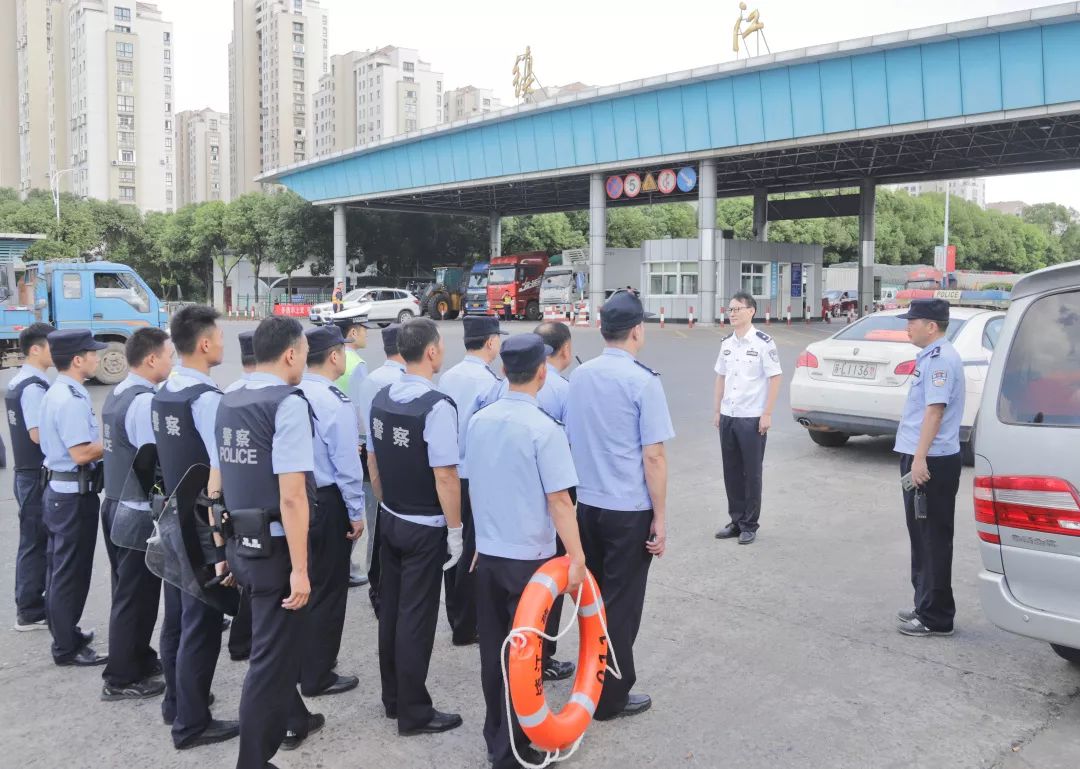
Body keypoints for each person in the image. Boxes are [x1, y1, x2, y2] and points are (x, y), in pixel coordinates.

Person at [467, 333, 585, 769]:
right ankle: (517, 749)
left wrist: (478, 542)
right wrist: (577, 557)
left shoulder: (479, 421)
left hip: (489, 556)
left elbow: (475, 484)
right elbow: (560, 502)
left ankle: (498, 738)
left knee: (493, 653)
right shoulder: (544, 429)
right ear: (542, 372)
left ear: (503, 371)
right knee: (524, 657)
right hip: (529, 563)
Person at [217, 316, 324, 767]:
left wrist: (221, 548)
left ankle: (295, 718)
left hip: (242, 546)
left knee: (278, 646)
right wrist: (300, 569)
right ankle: (253, 761)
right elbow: (293, 495)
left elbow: (216, 477)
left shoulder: (228, 398)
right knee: (269, 661)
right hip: (276, 550)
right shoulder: (287, 403)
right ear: (290, 354)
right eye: (302, 351)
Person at [564, 290, 673, 720]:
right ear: (637, 331)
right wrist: (660, 519)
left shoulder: (581, 376)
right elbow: (654, 456)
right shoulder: (643, 381)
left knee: (594, 601)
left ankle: (589, 680)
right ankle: (608, 697)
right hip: (629, 511)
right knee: (621, 607)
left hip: (588, 507)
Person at [367, 317, 464, 736]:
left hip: (391, 518)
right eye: (440, 344)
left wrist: (385, 501)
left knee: (391, 612)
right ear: (430, 351)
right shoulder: (436, 406)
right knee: (415, 619)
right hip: (425, 526)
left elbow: (372, 460)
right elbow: (446, 476)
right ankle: (414, 712)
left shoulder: (382, 397)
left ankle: (393, 700)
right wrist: (456, 531)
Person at [152, 305, 239, 749]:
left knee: (179, 617)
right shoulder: (206, 399)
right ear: (204, 344)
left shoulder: (165, 391)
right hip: (198, 524)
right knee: (201, 622)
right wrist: (220, 533)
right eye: (220, 336)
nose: (223, 343)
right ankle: (192, 723)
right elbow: (220, 469)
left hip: (172, 514)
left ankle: (177, 703)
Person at [100, 328, 173, 700]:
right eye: (168, 355)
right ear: (150, 359)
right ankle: (121, 677)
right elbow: (153, 461)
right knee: (135, 595)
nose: (171, 361)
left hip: (114, 501)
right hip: (136, 509)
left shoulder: (119, 391)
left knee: (129, 591)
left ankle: (138, 656)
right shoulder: (144, 402)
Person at [297, 324, 364, 697]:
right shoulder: (335, 402)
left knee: (300, 582)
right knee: (327, 588)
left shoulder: (290, 391)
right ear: (335, 356)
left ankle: (302, 661)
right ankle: (318, 673)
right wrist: (356, 513)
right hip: (327, 501)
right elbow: (346, 466)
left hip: (293, 500)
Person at [894, 299, 965, 638]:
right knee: (921, 537)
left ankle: (936, 617)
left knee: (933, 538)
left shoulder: (941, 360)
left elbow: (934, 412)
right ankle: (925, 604)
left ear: (931, 326)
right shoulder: (930, 356)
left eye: (913, 321)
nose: (907, 326)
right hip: (921, 455)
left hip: (931, 461)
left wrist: (920, 458)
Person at [38, 328, 109, 666]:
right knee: (70, 573)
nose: (98, 357)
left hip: (60, 493)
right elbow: (81, 453)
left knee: (60, 570)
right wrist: (115, 444)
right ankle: (67, 646)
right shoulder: (68, 399)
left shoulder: (63, 392)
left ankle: (65, 634)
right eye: (93, 353)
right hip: (71, 496)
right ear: (78, 359)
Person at [436, 315, 506, 646]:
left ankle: (456, 617)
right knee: (475, 550)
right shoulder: (490, 383)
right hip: (474, 476)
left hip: (446, 473)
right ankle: (469, 625)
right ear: (491, 342)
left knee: (454, 543)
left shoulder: (448, 377)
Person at [712, 291, 782, 545]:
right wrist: (717, 410)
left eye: (737, 309)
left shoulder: (764, 343)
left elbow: (775, 377)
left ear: (751, 311)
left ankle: (750, 524)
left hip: (752, 418)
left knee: (751, 473)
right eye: (730, 309)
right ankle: (736, 519)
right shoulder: (727, 343)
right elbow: (720, 377)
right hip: (729, 416)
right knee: (731, 471)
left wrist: (767, 413)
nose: (732, 313)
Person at [531, 321, 577, 680]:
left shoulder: (506, 384)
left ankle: (527, 651)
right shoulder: (563, 390)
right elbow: (573, 444)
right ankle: (542, 657)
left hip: (518, 493)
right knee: (553, 575)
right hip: (555, 492)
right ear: (565, 349)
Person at [350, 323, 406, 612]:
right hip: (401, 466)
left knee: (377, 526)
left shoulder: (371, 377)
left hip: (372, 460)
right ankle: (392, 590)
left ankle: (377, 587)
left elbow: (362, 422)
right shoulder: (405, 380)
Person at [5, 322, 54, 632]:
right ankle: (31, 609)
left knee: (32, 540)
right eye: (52, 345)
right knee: (36, 542)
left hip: (24, 472)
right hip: (35, 473)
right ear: (36, 349)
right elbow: (38, 435)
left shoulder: (17, 382)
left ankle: (30, 603)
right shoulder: (34, 387)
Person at [333, 314, 373, 587]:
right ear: (353, 332)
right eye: (363, 330)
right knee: (351, 502)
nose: (366, 335)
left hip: (332, 434)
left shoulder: (328, 358)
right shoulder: (356, 364)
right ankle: (346, 567)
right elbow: (360, 408)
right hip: (353, 438)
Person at [222, 330, 255, 662]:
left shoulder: (228, 394)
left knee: (246, 577)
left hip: (234, 500)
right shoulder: (275, 397)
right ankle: (245, 642)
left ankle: (240, 642)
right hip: (262, 508)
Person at [332, 313, 368, 395]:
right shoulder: (358, 364)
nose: (366, 334)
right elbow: (361, 401)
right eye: (365, 330)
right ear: (353, 333)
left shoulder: (331, 356)